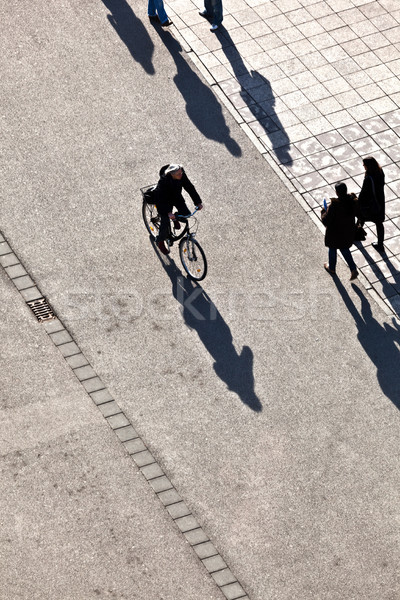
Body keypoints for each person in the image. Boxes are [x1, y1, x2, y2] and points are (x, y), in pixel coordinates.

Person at [155, 164, 203, 255]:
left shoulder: (181, 175)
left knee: (186, 214)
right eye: (178, 174)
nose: (181, 175)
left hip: (176, 197)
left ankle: (175, 218)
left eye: (181, 172)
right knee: (165, 223)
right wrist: (168, 212)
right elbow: (161, 198)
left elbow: (189, 187)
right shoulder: (163, 182)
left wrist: (198, 202)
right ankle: (160, 241)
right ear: (172, 174)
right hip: (164, 202)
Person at [321, 182, 359, 281]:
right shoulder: (352, 201)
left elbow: (326, 221)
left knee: (332, 248)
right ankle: (353, 269)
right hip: (347, 231)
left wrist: (324, 211)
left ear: (337, 193)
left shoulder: (334, 205)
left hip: (335, 232)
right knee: (344, 249)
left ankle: (332, 267)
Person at [357, 156, 385, 253]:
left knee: (361, 217)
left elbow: (364, 192)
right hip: (379, 201)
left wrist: (358, 202)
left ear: (368, 166)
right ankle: (380, 245)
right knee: (379, 223)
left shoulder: (369, 178)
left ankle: (357, 235)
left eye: (364, 164)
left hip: (370, 203)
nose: (363, 166)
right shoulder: (380, 172)